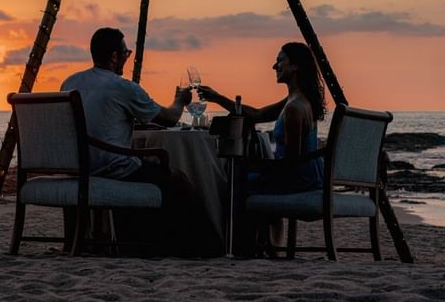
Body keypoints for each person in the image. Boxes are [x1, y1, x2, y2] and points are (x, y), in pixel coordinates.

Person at [61, 27, 220, 256]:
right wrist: (180, 101)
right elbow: (168, 118)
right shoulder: (122, 86)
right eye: (126, 53)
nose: (127, 57)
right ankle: (202, 247)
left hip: (79, 168)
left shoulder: (70, 82)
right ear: (115, 56)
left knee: (155, 170)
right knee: (177, 178)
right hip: (112, 169)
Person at [200, 41, 326, 194]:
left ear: (295, 66)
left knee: (229, 180)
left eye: (280, 61)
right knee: (238, 173)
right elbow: (256, 115)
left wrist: (253, 164)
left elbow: (291, 163)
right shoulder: (297, 99)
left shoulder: (294, 107)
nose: (274, 66)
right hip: (309, 177)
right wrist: (217, 98)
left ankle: (226, 218)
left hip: (297, 182)